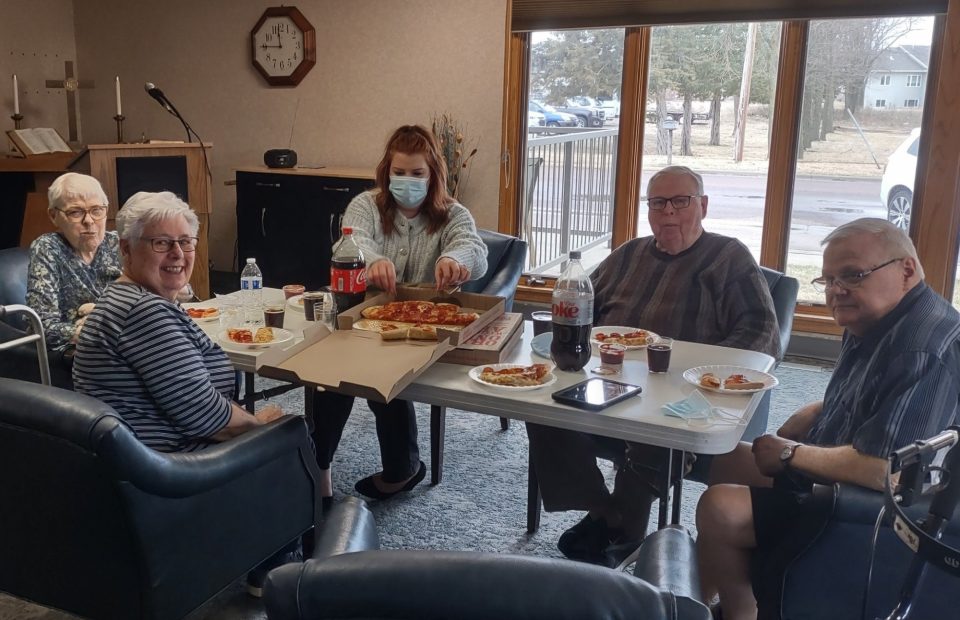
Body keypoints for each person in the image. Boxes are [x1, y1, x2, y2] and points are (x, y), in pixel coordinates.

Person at [696, 218, 960, 620]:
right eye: (829, 280)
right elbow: (879, 395)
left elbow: (885, 472)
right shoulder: (876, 318)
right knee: (724, 460)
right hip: (839, 468)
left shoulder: (920, 349)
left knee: (720, 507)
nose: (836, 291)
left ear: (906, 269)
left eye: (852, 275)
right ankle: (693, 601)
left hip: (872, 507)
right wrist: (819, 408)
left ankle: (743, 613)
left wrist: (791, 455)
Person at [525, 165, 781, 566]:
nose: (669, 213)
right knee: (541, 407)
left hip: (683, 390)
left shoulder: (729, 258)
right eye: (658, 203)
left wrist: (705, 377)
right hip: (608, 377)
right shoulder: (628, 254)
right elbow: (582, 304)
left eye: (681, 201)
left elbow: (762, 333)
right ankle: (603, 510)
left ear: (703, 205)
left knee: (658, 423)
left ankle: (624, 528)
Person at [311, 124, 487, 502]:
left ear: (433, 175)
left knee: (383, 371)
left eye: (417, 173)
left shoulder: (453, 213)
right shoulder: (366, 204)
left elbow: (472, 247)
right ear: (386, 172)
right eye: (399, 172)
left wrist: (455, 260)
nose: (407, 180)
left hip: (423, 325)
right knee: (330, 375)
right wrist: (371, 261)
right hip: (365, 317)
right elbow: (351, 239)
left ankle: (402, 468)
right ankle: (320, 473)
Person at [73, 191, 283, 452]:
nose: (177, 253)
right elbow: (208, 418)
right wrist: (260, 427)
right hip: (175, 471)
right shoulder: (143, 312)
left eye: (185, 242)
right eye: (161, 243)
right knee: (293, 430)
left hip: (147, 459)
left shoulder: (125, 296)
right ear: (127, 248)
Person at [26, 172, 122, 362]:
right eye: (75, 212)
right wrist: (93, 331)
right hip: (75, 354)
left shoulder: (117, 243)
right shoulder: (48, 248)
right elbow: (41, 323)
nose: (89, 220)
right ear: (54, 216)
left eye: (97, 210)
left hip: (123, 341)